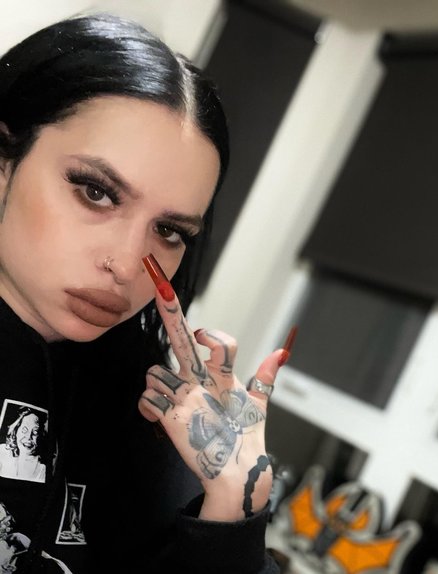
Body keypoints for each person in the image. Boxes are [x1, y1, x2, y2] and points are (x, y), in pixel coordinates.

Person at [0, 12, 288, 574]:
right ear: (5, 162)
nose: (129, 264)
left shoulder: (149, 418)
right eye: (96, 192)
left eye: (170, 231)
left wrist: (233, 508)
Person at [0, 406, 48, 482]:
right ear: (15, 431)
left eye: (35, 432)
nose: (28, 437)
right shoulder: (2, 452)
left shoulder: (42, 469)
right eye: (24, 430)